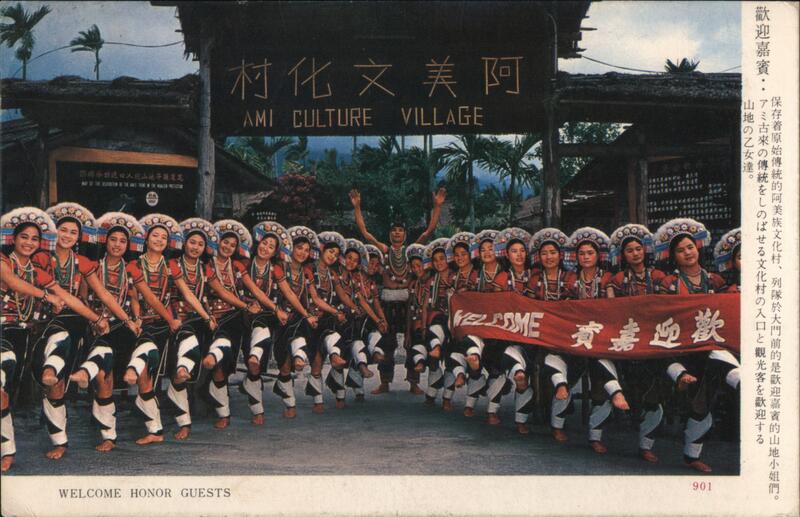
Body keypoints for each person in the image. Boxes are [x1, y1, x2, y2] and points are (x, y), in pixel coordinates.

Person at [1, 207, 107, 468]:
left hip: (32, 332)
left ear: (40, 243)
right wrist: (47, 297)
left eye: (34, 239)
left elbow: (69, 297)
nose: (28, 243)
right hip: (4, 332)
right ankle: (8, 451)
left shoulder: (39, 272)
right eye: (23, 237)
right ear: (13, 239)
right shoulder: (4, 262)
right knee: (1, 387)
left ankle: (60, 441)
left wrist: (96, 319)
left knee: (55, 376)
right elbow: (13, 283)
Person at [653, 218, 740, 473]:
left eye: (690, 247)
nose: (687, 253)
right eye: (680, 250)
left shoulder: (715, 281)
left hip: (710, 347)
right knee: (698, 392)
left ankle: (692, 456)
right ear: (673, 256)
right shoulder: (669, 283)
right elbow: (661, 316)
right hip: (681, 346)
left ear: (698, 248)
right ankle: (684, 376)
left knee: (703, 398)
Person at [350, 187, 446, 395]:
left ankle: (413, 381)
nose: (397, 233)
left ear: (405, 233)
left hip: (408, 303)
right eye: (394, 230)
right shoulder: (384, 251)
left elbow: (427, 232)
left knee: (414, 341)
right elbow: (365, 233)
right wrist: (357, 208)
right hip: (387, 303)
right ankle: (385, 381)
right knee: (387, 343)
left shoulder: (412, 251)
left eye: (400, 230)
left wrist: (437, 206)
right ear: (389, 233)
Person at [123, 213, 208, 445]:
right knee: (144, 375)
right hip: (146, 325)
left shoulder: (171, 265)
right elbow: (139, 298)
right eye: (155, 236)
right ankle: (155, 430)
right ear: (146, 239)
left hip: (168, 323)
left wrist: (205, 315)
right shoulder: (134, 265)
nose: (159, 240)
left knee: (179, 368)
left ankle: (183, 423)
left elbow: (187, 293)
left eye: (163, 237)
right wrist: (138, 318)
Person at [564, 227, 630, 454]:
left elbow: (612, 308)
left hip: (602, 337)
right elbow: (564, 308)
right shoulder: (571, 279)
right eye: (581, 253)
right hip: (576, 336)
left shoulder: (608, 279)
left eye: (589, 253)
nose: (585, 257)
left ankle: (595, 435)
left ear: (598, 256)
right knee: (567, 372)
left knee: (600, 368)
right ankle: (564, 406)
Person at [200, 220, 272, 426]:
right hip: (217, 317)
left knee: (258, 343)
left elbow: (253, 288)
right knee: (220, 365)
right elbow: (220, 292)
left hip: (238, 315)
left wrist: (272, 308)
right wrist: (244, 306)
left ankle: (257, 406)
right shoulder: (207, 266)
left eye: (233, 245)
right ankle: (224, 414)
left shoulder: (238, 266)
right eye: (225, 242)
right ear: (218, 242)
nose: (228, 247)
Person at [606, 223, 667, 463]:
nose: (634, 253)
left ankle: (646, 441)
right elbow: (611, 308)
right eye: (629, 250)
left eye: (638, 249)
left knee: (655, 383)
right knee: (631, 380)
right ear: (623, 255)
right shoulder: (618, 279)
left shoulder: (660, 277)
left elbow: (667, 306)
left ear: (645, 251)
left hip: (653, 338)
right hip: (628, 339)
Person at [242, 221, 306, 423]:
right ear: (257, 242)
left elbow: (288, 293)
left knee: (291, 334)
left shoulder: (276, 269)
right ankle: (256, 410)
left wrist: (305, 313)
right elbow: (254, 291)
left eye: (271, 246)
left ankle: (288, 387)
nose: (265, 248)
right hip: (245, 316)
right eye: (264, 243)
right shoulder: (243, 263)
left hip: (270, 316)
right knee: (254, 364)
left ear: (276, 252)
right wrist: (277, 309)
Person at [163, 218, 218, 439]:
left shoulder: (206, 268)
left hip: (198, 318)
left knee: (217, 342)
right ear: (184, 243)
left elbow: (221, 291)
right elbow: (186, 294)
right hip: (176, 317)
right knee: (187, 353)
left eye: (200, 244)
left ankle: (203, 395)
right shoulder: (173, 264)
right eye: (192, 242)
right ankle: (183, 414)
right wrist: (207, 316)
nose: (195, 247)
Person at [528, 228, 575, 442]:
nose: (549, 256)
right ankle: (545, 408)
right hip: (539, 334)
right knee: (542, 361)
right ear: (539, 257)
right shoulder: (534, 278)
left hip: (566, 334)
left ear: (560, 255)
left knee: (563, 365)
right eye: (544, 253)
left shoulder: (571, 277)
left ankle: (559, 418)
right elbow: (526, 305)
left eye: (553, 252)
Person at [458, 229, 508, 423]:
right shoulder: (475, 275)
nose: (487, 252)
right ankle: (470, 403)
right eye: (483, 249)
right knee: (473, 357)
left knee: (496, 367)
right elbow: (464, 295)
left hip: (499, 328)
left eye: (491, 248)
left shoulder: (505, 275)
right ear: (478, 253)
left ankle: (492, 411)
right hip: (478, 325)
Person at [495, 227, 537, 435]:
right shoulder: (502, 279)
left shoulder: (536, 276)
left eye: (522, 250)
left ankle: (527, 417)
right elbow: (495, 308)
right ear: (507, 255)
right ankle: (520, 419)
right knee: (520, 374)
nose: (519, 255)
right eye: (514, 251)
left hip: (537, 335)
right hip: (510, 336)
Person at [316, 231, 360, 409]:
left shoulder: (332, 274)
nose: (332, 256)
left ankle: (339, 395)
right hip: (310, 316)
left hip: (328, 317)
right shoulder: (310, 269)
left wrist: (355, 308)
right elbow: (315, 298)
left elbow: (341, 294)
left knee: (343, 340)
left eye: (335, 254)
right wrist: (335, 311)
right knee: (316, 361)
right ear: (321, 250)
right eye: (330, 252)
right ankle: (318, 401)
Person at [341, 238, 386, 399]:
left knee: (375, 335)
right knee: (357, 343)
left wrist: (382, 319)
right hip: (351, 319)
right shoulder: (355, 277)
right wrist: (376, 318)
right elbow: (361, 300)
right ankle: (361, 373)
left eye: (376, 265)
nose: (373, 267)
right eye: (371, 263)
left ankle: (358, 384)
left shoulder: (372, 282)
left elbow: (376, 302)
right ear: (363, 263)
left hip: (364, 319)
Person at [440, 232, 477, 408]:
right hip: (454, 324)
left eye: (464, 254)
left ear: (471, 255)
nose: (460, 257)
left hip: (474, 325)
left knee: (474, 359)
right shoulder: (452, 277)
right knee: (450, 356)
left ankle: (470, 404)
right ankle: (447, 398)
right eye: (457, 255)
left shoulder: (478, 275)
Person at [418, 238, 453, 408]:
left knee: (452, 360)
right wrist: (424, 327)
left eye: (442, 258)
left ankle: (447, 398)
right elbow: (425, 307)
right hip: (435, 322)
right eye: (435, 259)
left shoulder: (457, 277)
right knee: (433, 359)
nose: (439, 262)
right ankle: (431, 394)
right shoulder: (430, 281)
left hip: (454, 324)